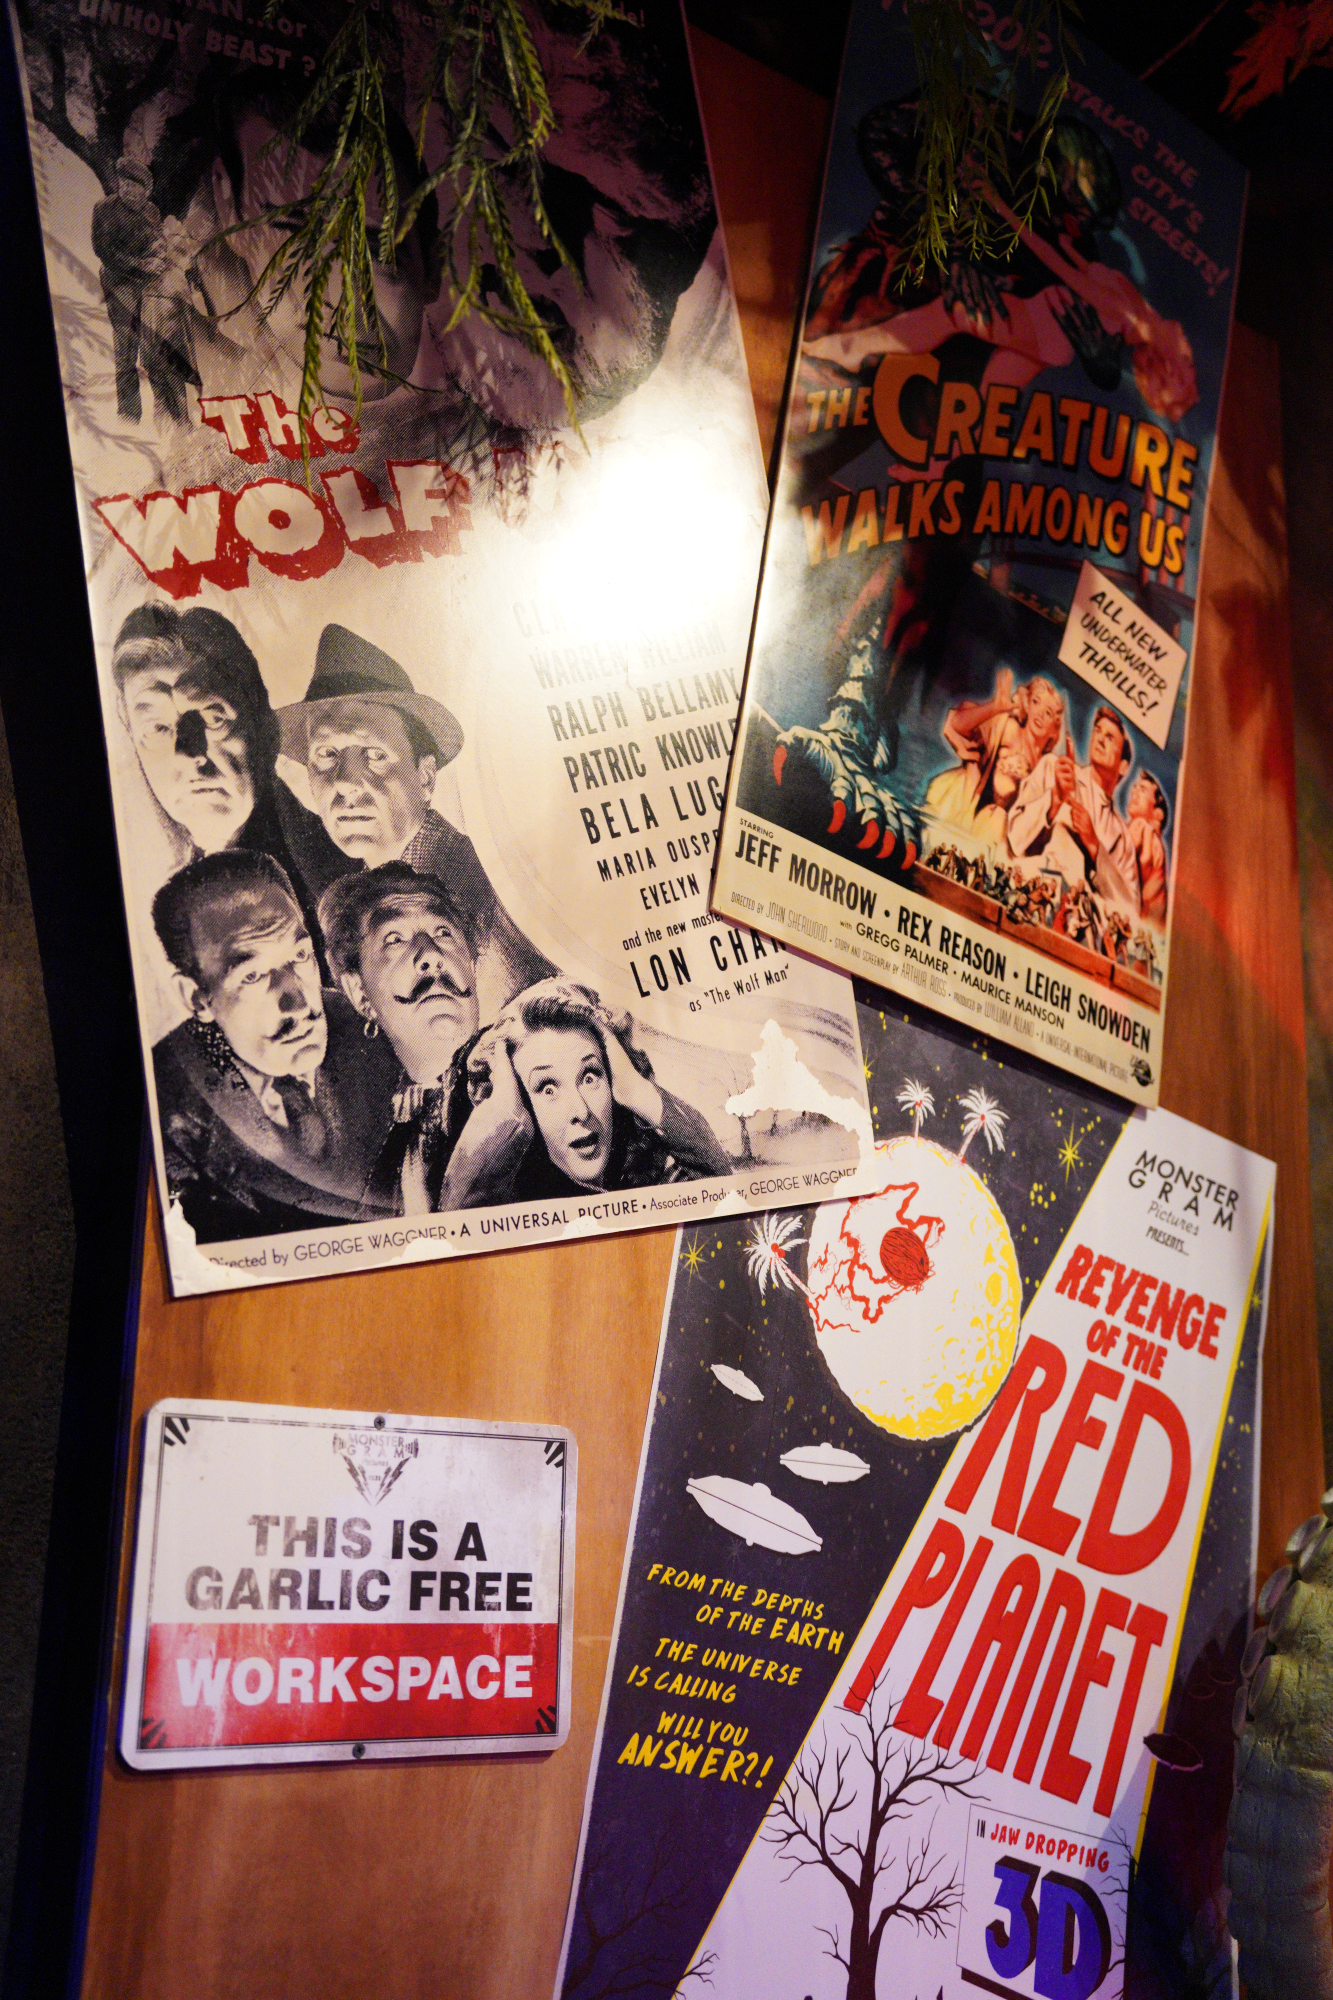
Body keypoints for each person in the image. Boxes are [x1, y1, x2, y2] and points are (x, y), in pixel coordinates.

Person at [280, 623, 555, 1004]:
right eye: (327, 755)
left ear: (425, 777)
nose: (345, 782)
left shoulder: (478, 892)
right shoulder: (368, 894)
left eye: (374, 755)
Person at [150, 851, 399, 1241]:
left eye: (299, 956)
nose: (298, 1004)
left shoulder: (374, 1029)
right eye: (252, 976)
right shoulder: (164, 1110)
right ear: (197, 998)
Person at [111, 602, 343, 960]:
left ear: (261, 724)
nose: (187, 753)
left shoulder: (334, 873)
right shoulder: (154, 893)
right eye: (157, 727)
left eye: (213, 718)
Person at [319, 862, 533, 1215]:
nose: (430, 955)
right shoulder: (382, 1152)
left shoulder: (540, 1060)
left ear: (471, 965)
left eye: (443, 933)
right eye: (395, 939)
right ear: (359, 993)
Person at [486, 980, 731, 1200]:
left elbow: (726, 1192)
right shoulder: (514, 1212)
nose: (581, 1111)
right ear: (520, 1103)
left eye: (589, 1077)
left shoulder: (653, 1190)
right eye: (548, 1089)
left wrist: (636, 1091)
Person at [92, 156, 201, 425]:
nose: (126, 189)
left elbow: (156, 243)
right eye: (123, 183)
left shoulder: (152, 211)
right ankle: (129, 415)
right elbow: (103, 251)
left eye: (133, 185)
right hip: (120, 286)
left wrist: (162, 259)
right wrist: (140, 264)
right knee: (126, 348)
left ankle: (170, 412)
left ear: (146, 189)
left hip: (150, 284)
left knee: (155, 348)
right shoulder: (104, 209)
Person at [1008, 707, 1141, 919]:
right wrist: (1054, 799)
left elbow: (1131, 912)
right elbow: (1015, 838)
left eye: (1110, 738)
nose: (1099, 739)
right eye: (1097, 730)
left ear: (1123, 766)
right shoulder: (1054, 769)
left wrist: (1094, 847)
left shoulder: (1123, 840)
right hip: (1029, 906)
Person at [923, 670, 1064, 849]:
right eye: (1036, 702)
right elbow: (957, 724)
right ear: (1027, 705)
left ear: (1054, 729)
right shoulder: (1010, 729)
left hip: (994, 839)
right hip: (958, 811)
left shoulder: (1047, 767)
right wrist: (995, 707)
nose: (1040, 714)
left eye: (1049, 713)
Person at [1127, 769, 1171, 924]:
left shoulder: (1143, 827)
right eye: (1135, 787)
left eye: (1143, 789)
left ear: (1157, 814)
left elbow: (1140, 860)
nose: (1134, 791)